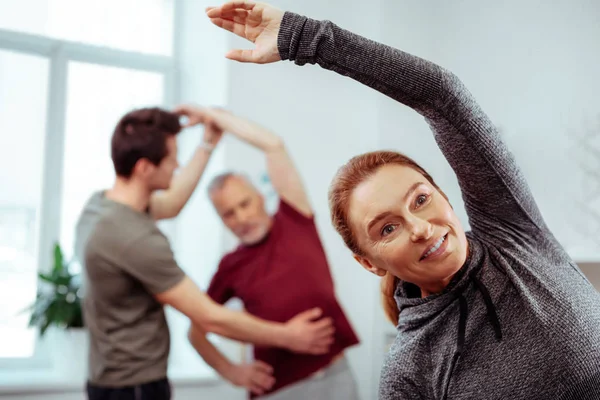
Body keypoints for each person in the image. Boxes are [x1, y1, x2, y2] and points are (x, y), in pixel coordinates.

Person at [205, 2, 600, 399]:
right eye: (388, 228)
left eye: (421, 199)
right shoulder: (408, 372)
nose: (420, 228)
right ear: (368, 262)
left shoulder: (514, 233)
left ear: (445, 196)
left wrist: (306, 38)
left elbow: (442, 95)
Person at [75, 107, 335, 400]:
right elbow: (209, 319)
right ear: (145, 168)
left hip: (120, 381)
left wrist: (209, 141)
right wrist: (288, 337)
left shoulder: (102, 208)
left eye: (245, 204)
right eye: (172, 157)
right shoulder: (133, 237)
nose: (177, 165)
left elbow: (172, 203)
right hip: (132, 389)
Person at [173, 105, 361, 399]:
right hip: (278, 390)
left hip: (335, 378)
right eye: (229, 214)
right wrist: (232, 371)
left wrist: (216, 117)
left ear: (261, 197)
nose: (241, 218)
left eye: (244, 204)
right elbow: (195, 333)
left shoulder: (295, 218)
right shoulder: (230, 266)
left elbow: (273, 144)